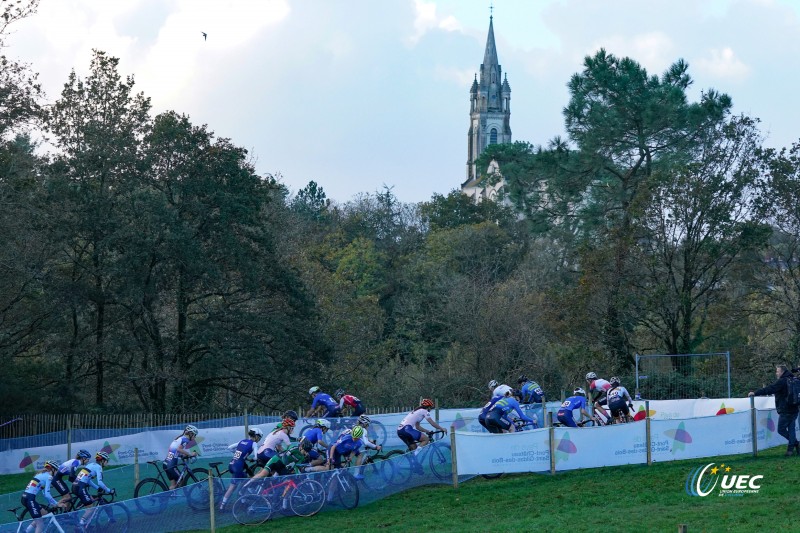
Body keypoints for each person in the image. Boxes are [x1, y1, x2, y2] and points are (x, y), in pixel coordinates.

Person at [749, 365, 799, 456]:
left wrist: (755, 393)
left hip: (785, 410)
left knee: (781, 430)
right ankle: (790, 450)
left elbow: (770, 389)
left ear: (782, 372)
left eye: (777, 371)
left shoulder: (782, 381)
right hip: (795, 408)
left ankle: (795, 444)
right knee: (792, 429)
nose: (776, 373)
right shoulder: (795, 379)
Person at [219, 427, 263, 510]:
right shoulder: (254, 444)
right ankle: (223, 505)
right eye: (259, 437)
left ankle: (242, 500)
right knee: (235, 486)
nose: (259, 439)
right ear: (256, 436)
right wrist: (252, 459)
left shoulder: (242, 441)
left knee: (243, 480)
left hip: (232, 464)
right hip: (238, 466)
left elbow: (229, 448)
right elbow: (256, 457)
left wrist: (239, 455)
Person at [73, 452, 114, 529]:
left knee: (90, 502)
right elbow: (100, 482)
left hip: (75, 485)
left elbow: (88, 480)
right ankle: (80, 525)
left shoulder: (90, 465)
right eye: (107, 461)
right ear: (103, 460)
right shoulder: (98, 467)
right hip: (81, 487)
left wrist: (97, 488)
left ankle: (85, 524)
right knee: (91, 508)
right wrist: (109, 490)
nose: (107, 463)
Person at [21, 460, 64, 532]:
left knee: (44, 514)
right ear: (52, 469)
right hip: (29, 499)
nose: (57, 473)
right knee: (40, 524)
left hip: (26, 498)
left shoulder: (40, 474)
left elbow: (43, 491)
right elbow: (47, 494)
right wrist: (56, 504)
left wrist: (51, 503)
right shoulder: (49, 477)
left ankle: (26, 531)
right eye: (56, 470)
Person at [163, 425, 199, 490]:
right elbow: (179, 449)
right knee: (181, 480)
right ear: (190, 433)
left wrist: (183, 455)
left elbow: (175, 451)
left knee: (173, 485)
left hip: (166, 463)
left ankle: (169, 497)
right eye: (194, 435)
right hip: (171, 465)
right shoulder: (185, 440)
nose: (195, 437)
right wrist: (190, 454)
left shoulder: (180, 438)